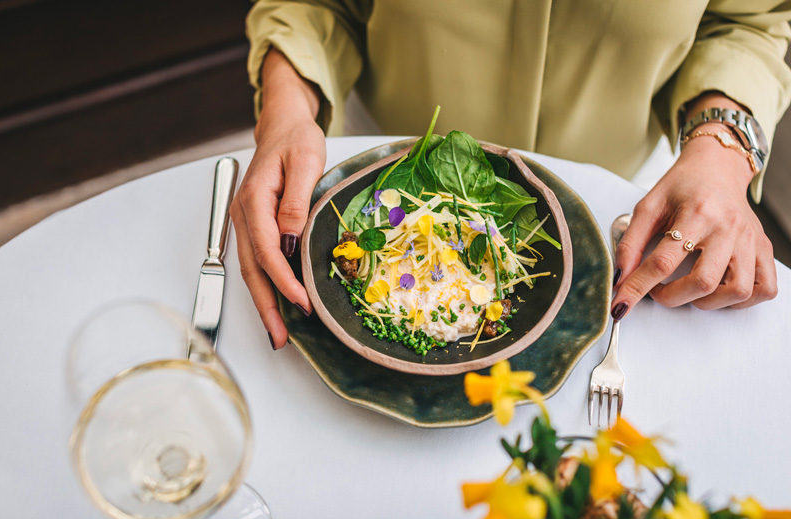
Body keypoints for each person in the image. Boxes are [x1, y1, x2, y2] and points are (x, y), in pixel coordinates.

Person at [231, 0, 791, 349]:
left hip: (615, 196)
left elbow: (744, 22)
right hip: (391, 170)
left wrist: (721, 150)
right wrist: (285, 112)